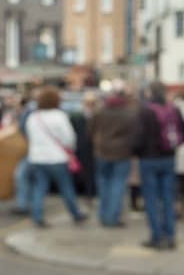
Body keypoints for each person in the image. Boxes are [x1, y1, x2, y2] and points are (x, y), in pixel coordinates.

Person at [24, 87, 87, 228]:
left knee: (39, 188)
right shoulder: (59, 116)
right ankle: (75, 213)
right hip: (57, 158)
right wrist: (70, 150)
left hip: (37, 158)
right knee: (66, 187)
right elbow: (69, 138)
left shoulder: (33, 117)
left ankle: (38, 216)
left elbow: (28, 136)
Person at [133, 81, 184, 249]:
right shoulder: (174, 109)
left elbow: (138, 138)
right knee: (169, 198)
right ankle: (170, 236)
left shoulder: (145, 111)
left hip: (149, 159)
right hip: (169, 158)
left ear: (150, 92)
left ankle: (157, 236)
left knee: (152, 199)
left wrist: (137, 152)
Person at [89, 90, 136, 227]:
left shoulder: (99, 113)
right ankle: (112, 217)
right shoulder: (129, 115)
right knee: (118, 185)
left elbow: (90, 131)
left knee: (103, 184)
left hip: (102, 152)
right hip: (122, 153)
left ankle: (103, 215)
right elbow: (134, 134)